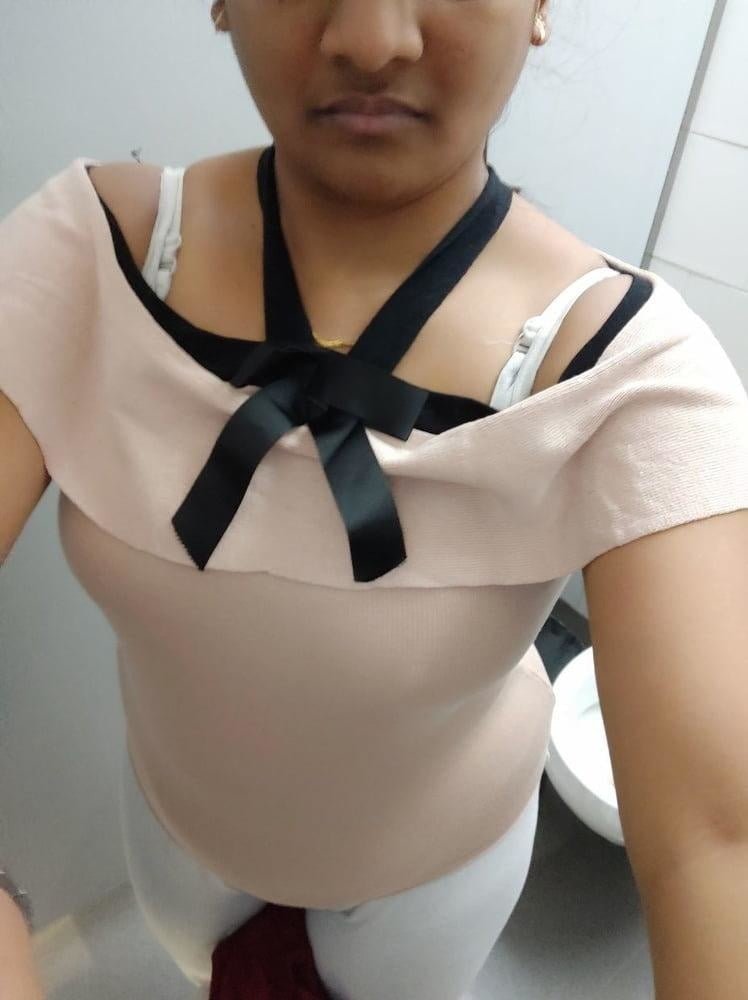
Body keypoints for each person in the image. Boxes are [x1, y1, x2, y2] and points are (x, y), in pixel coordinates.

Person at [2, 1, 748, 998]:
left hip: (434, 877)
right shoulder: (87, 251)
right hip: (179, 839)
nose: (371, 40)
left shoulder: (630, 375)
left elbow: (716, 841)